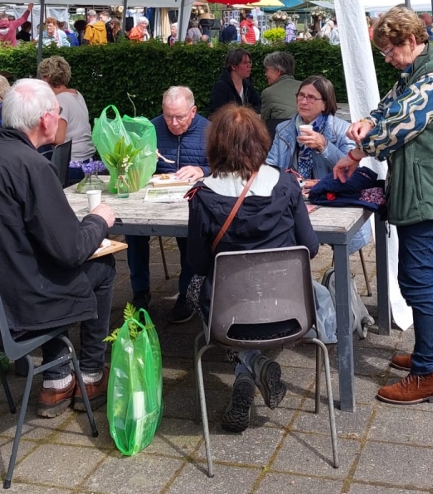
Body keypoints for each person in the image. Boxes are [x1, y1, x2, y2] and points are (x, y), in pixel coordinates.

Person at [0, 79, 118, 417]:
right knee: (101, 269)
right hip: (14, 308)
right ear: (45, 120)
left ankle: (58, 375)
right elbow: (70, 250)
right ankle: (87, 375)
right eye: (57, 111)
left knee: (41, 268)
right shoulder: (33, 166)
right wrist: (99, 219)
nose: (58, 117)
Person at [334, 5, 433, 405]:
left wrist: (360, 146)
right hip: (425, 188)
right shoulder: (418, 71)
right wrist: (367, 122)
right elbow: (389, 108)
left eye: (390, 51)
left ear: (411, 40)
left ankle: (428, 375)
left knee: (416, 279)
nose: (388, 59)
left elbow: (402, 123)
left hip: (428, 191)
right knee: (429, 274)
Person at [188, 104, 317, 432]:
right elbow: (311, 248)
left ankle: (250, 363)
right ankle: (254, 365)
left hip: (229, 317)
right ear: (261, 141)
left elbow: (198, 263)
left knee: (192, 289)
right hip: (289, 312)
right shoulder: (287, 185)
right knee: (256, 312)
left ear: (215, 145)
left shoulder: (203, 196)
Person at [125, 87, 212, 320]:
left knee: (191, 234)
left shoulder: (210, 131)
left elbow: (225, 167)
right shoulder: (151, 129)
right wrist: (141, 161)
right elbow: (127, 169)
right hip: (153, 200)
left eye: (180, 117)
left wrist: (201, 169)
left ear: (193, 111)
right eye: (167, 115)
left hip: (192, 201)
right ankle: (140, 292)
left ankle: (185, 294)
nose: (173, 123)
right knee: (132, 231)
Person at [267, 74, 354, 181]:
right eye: (301, 95)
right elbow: (271, 166)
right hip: (292, 192)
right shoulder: (283, 129)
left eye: (311, 97)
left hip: (329, 193)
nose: (303, 102)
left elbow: (350, 170)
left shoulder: (344, 130)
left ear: (325, 105)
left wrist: (324, 146)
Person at [37, 56, 95, 167]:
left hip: (73, 162)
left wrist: (37, 134)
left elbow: (59, 139)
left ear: (47, 78)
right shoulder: (76, 94)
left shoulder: (59, 101)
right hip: (89, 158)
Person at [259, 51, 301, 133]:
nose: (265, 74)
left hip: (281, 138)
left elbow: (263, 124)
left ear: (278, 71)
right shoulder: (306, 87)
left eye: (267, 70)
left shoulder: (268, 93)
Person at [210, 48, 261, 113]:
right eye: (245, 63)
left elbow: (258, 104)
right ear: (233, 66)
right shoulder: (221, 86)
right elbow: (218, 112)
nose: (249, 65)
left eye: (249, 62)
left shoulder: (248, 85)